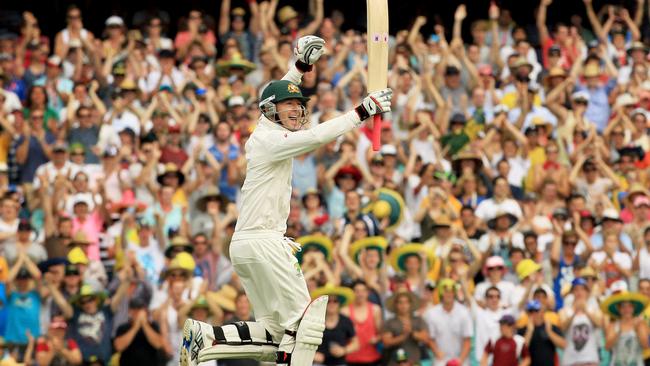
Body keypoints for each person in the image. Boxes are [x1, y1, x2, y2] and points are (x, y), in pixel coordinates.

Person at [180, 35, 392, 366]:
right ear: (270, 111)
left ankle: (207, 339)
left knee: (274, 333)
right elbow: (316, 137)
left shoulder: (265, 130)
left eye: (299, 104)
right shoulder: (272, 140)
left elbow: (280, 91)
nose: (296, 109)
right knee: (304, 327)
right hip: (264, 242)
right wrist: (362, 111)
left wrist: (300, 66)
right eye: (289, 105)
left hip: (247, 244)